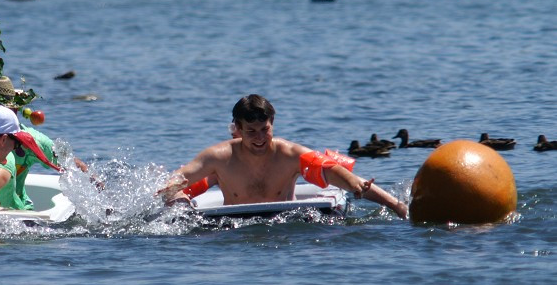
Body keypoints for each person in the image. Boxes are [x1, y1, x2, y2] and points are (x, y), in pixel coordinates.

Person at [163, 95, 408, 218]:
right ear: (238, 128)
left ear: (272, 124)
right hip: (232, 228)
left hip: (286, 224)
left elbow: (331, 170)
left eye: (265, 130)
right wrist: (176, 195)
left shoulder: (289, 153)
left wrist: (395, 205)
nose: (259, 138)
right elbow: (180, 177)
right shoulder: (218, 157)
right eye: (251, 132)